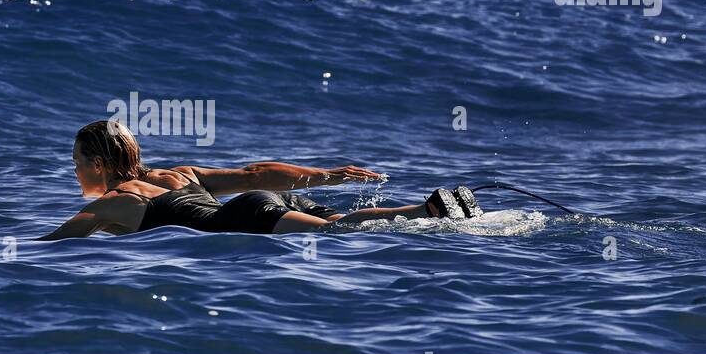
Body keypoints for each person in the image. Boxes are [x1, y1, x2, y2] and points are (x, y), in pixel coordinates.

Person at [37, 121, 482, 241]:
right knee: (343, 222)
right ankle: (433, 209)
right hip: (263, 198)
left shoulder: (108, 205)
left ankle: (426, 210)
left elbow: (52, 243)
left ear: (99, 162)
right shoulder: (178, 174)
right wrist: (325, 177)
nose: (73, 169)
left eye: (77, 161)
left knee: (336, 231)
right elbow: (256, 174)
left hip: (246, 215)